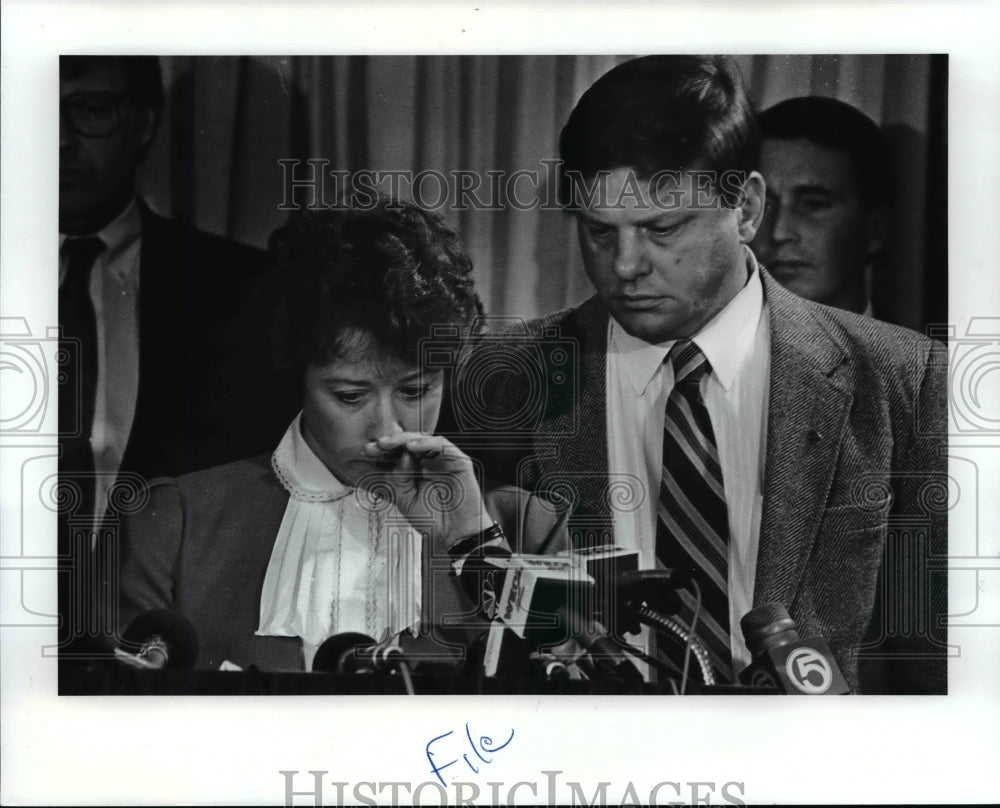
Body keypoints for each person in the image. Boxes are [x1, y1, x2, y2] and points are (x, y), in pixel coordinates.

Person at [458, 56, 947, 694]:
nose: (626, 266)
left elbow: (937, 667)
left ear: (745, 208)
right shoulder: (502, 376)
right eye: (599, 232)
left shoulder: (905, 381)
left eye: (662, 228)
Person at [115, 199, 568, 674]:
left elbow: (566, 709)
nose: (388, 431)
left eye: (415, 391)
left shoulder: (528, 529)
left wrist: (474, 543)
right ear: (299, 377)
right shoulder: (173, 522)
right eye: (351, 397)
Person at [59, 56, 296, 657]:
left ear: (144, 122)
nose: (56, 138)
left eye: (89, 110)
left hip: (152, 658)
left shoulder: (246, 293)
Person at [749, 96, 894, 318]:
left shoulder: (923, 352)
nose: (779, 232)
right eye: (764, 205)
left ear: (875, 231)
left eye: (813, 205)